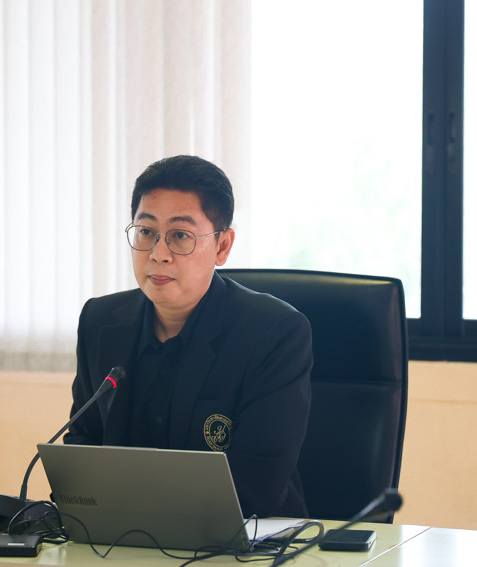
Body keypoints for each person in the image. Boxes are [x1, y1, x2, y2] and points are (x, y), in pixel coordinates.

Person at [63, 155, 313, 518]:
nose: (158, 254)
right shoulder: (100, 322)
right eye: (146, 232)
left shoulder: (274, 333)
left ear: (223, 246)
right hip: (120, 536)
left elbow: (257, 482)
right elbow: (83, 446)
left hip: (243, 536)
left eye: (180, 235)